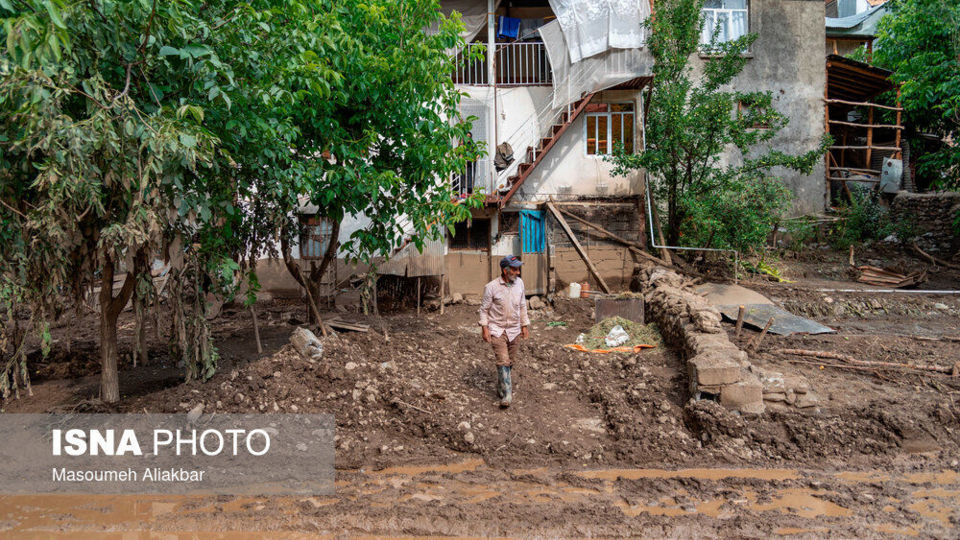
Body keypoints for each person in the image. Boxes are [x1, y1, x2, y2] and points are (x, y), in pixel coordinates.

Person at [478, 255, 530, 408]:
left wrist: (524, 326)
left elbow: (522, 306)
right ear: (505, 270)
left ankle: (501, 385)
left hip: (514, 329)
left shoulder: (519, 284)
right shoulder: (491, 287)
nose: (518, 272)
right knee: (503, 361)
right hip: (497, 329)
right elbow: (484, 310)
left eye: (518, 269)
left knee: (511, 362)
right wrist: (484, 329)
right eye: (514, 269)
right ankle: (507, 394)